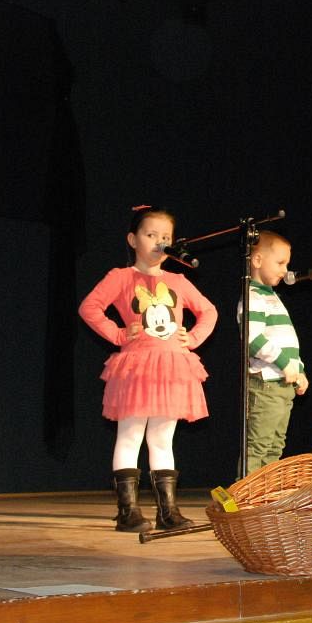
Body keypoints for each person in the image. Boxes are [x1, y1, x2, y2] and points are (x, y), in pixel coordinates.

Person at [79, 205, 218, 532]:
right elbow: (90, 307)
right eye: (151, 234)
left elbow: (209, 311)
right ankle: (127, 512)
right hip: (138, 367)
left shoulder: (178, 280)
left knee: (162, 439)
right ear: (133, 239)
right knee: (130, 436)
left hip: (171, 367)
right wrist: (117, 334)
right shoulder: (121, 277)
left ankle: (167, 512)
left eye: (165, 236)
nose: (159, 241)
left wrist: (192, 338)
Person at [238, 230, 308, 475]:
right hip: (266, 385)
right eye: (280, 263)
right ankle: (245, 493)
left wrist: (299, 370)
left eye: (286, 264)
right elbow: (253, 339)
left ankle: (265, 493)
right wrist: (284, 364)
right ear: (257, 260)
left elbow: (285, 339)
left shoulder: (272, 297)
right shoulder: (253, 296)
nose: (285, 270)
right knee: (258, 445)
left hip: (282, 385)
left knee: (275, 446)